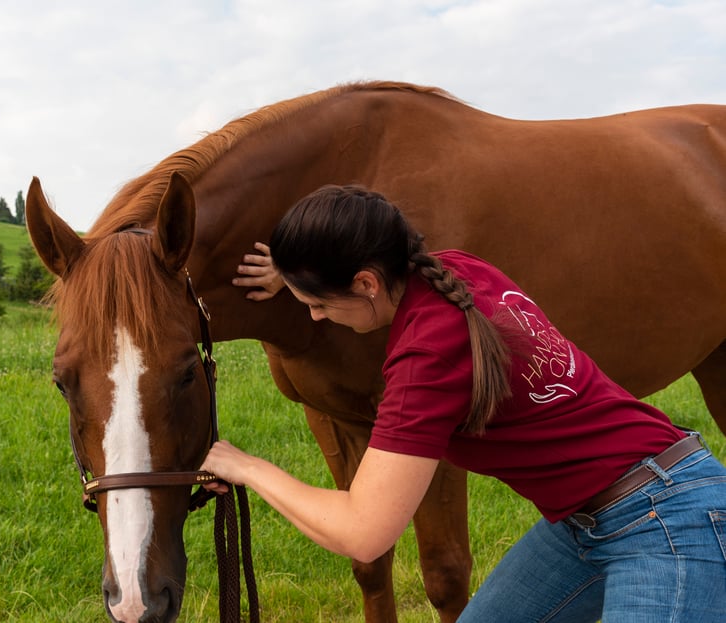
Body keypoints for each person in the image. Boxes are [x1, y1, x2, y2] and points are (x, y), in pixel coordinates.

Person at [201, 184, 726, 622]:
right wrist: (298, 268)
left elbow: (363, 532)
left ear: (365, 281)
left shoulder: (427, 356)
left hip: (666, 519)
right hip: (591, 516)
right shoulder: (454, 271)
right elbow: (354, 220)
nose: (315, 317)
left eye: (317, 303)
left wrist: (247, 467)